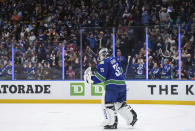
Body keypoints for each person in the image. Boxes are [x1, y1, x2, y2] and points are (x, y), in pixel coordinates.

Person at [85, 48, 137, 129]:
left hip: (112, 86)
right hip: (122, 84)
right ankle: (131, 117)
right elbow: (121, 71)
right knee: (119, 104)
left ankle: (112, 122)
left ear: (102, 55)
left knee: (107, 103)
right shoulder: (115, 59)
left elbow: (101, 77)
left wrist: (91, 78)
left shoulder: (104, 62)